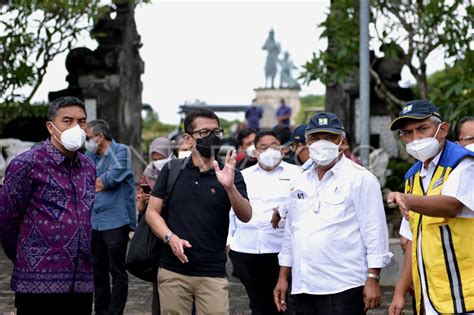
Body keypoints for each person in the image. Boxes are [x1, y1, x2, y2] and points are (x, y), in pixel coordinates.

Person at [273, 112, 392, 314]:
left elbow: (375, 232)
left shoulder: (361, 179)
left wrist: (373, 278)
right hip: (304, 284)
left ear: (342, 141)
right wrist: (283, 276)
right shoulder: (300, 180)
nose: (322, 144)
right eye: (316, 138)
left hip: (344, 285)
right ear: (307, 142)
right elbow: (292, 231)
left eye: (329, 138)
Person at [145, 108, 252, 314]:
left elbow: (246, 215)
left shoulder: (231, 174)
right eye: (204, 133)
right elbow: (152, 213)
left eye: (216, 132)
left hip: (213, 271)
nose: (212, 137)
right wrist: (170, 238)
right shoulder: (171, 170)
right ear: (188, 139)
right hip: (173, 269)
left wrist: (229, 187)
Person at [0, 96, 96, 315]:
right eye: (67, 120)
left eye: (81, 121)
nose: (76, 127)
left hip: (81, 280)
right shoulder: (27, 164)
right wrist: (27, 256)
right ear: (50, 127)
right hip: (36, 282)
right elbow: (6, 219)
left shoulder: (89, 167)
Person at [387, 100, 474, 315]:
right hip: (432, 298)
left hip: (467, 295)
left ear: (442, 129)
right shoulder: (413, 177)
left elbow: (451, 205)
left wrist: (409, 200)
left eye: (423, 128)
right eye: (407, 133)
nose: (416, 138)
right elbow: (413, 241)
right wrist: (399, 292)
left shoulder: (463, 163)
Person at [228, 131, 300, 314]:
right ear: (255, 151)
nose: (270, 151)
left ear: (283, 149)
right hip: (246, 250)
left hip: (282, 251)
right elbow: (230, 211)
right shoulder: (242, 175)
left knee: (285, 304)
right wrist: (229, 242)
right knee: (259, 304)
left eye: (274, 145)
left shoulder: (298, 174)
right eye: (263, 147)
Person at [85, 119, 136, 315]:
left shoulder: (121, 151)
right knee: (98, 271)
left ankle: (115, 312)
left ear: (100, 136)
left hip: (116, 221)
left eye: (89, 137)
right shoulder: (90, 155)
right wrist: (97, 182)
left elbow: (112, 178)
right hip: (94, 222)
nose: (86, 141)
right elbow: (84, 180)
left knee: (117, 271)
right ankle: (101, 310)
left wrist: (97, 182)